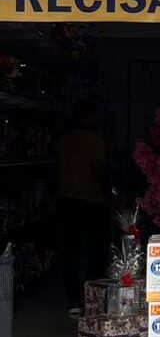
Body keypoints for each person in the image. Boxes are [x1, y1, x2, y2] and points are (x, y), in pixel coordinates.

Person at [56, 99, 109, 317]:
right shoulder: (93, 141)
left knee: (71, 252)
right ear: (88, 117)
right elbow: (99, 170)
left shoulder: (64, 140)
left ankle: (73, 300)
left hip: (67, 201)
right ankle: (93, 297)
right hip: (90, 202)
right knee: (96, 252)